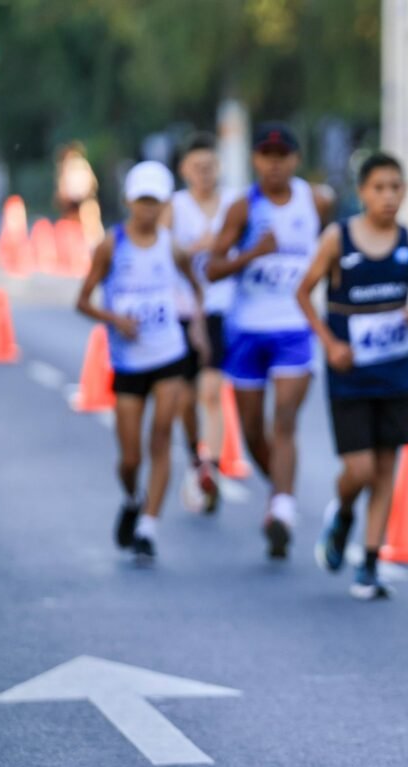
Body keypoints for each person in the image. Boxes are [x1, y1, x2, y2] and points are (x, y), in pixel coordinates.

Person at [296, 152, 408, 600]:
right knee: (357, 468)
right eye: (379, 188)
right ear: (362, 193)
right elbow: (302, 293)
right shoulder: (338, 240)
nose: (389, 196)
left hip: (396, 373)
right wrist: (329, 342)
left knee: (384, 469)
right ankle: (341, 512)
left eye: (396, 187)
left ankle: (370, 562)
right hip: (350, 372)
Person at [207, 122, 334, 559]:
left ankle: (281, 509)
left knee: (284, 421)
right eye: (266, 154)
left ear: (295, 160)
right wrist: (251, 254)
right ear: (255, 160)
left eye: (282, 155)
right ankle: (280, 494)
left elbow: (334, 250)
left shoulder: (315, 201)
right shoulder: (242, 208)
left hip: (294, 329)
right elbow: (212, 268)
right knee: (251, 430)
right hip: (246, 330)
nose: (274, 163)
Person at [76, 161, 205, 561]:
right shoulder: (111, 245)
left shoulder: (172, 246)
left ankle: (149, 526)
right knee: (130, 457)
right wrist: (115, 319)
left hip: (168, 354)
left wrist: (196, 326)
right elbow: (82, 301)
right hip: (129, 361)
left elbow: (197, 289)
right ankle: (134, 497)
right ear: (130, 201)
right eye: (142, 201)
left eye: (156, 202)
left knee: (161, 437)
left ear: (164, 204)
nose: (148, 209)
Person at [164, 131, 239, 514]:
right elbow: (162, 248)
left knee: (212, 391)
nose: (204, 173)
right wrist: (197, 247)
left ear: (219, 167)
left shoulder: (232, 203)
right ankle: (196, 455)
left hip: (219, 308)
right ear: (185, 170)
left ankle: (210, 468)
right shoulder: (174, 206)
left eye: (210, 166)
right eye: (197, 167)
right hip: (180, 310)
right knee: (184, 400)